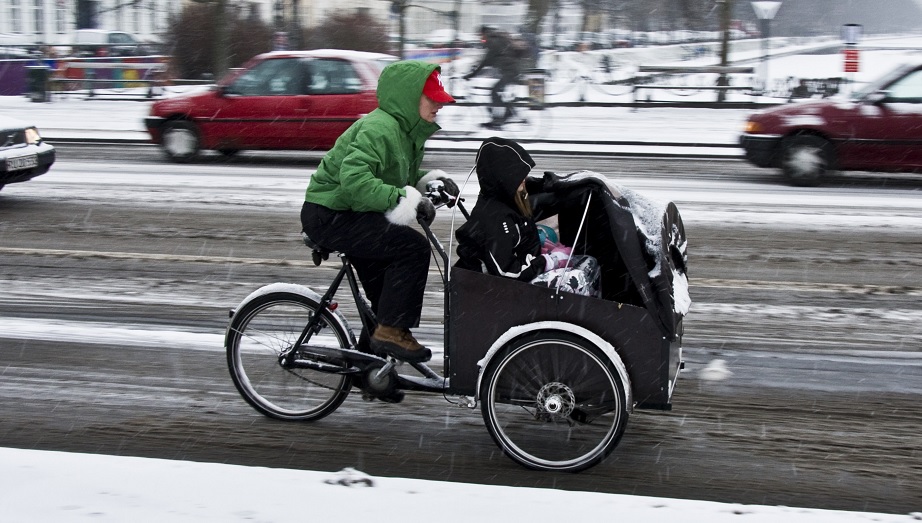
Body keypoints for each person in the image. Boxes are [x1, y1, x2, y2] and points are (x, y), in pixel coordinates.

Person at [300, 60, 458, 364]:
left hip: (352, 212)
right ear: (409, 99)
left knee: (386, 293)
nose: (439, 105)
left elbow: (397, 176)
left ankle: (369, 368)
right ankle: (390, 332)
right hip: (330, 214)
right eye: (433, 99)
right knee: (412, 249)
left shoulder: (404, 131)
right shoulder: (379, 128)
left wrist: (429, 182)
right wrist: (404, 198)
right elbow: (355, 181)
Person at [464, 26, 523, 130]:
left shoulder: (492, 42)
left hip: (510, 72)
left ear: (484, 33)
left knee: (493, 92)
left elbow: (486, 61)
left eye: (480, 35)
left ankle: (502, 116)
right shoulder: (496, 40)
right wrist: (474, 69)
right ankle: (500, 116)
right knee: (495, 92)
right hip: (509, 70)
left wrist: (472, 75)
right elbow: (489, 60)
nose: (480, 38)